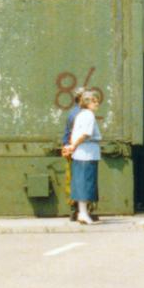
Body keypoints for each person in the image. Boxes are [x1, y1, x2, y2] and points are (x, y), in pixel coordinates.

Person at [60, 89, 103, 225]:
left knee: (80, 183)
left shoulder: (80, 114)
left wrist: (71, 146)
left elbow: (74, 134)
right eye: (94, 101)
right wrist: (72, 147)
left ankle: (82, 213)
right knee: (86, 183)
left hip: (81, 152)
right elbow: (85, 134)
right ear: (87, 103)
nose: (97, 104)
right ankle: (83, 214)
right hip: (87, 153)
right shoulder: (89, 115)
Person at [60, 86, 85, 222]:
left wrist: (65, 146)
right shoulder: (84, 114)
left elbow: (67, 133)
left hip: (71, 149)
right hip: (81, 150)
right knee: (83, 180)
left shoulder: (72, 113)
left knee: (72, 179)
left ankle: (73, 209)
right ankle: (83, 210)